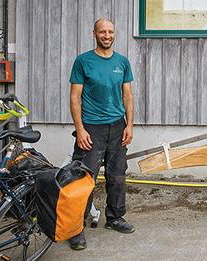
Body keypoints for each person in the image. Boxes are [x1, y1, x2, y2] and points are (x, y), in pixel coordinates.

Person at [68, 18, 135, 251]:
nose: (107, 35)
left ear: (114, 34)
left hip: (118, 127)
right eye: (102, 32)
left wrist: (129, 125)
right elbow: (75, 97)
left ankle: (115, 218)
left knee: (117, 176)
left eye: (110, 32)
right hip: (91, 128)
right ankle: (75, 228)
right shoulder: (83, 61)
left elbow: (127, 96)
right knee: (84, 180)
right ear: (94, 33)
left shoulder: (122, 62)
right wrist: (80, 129)